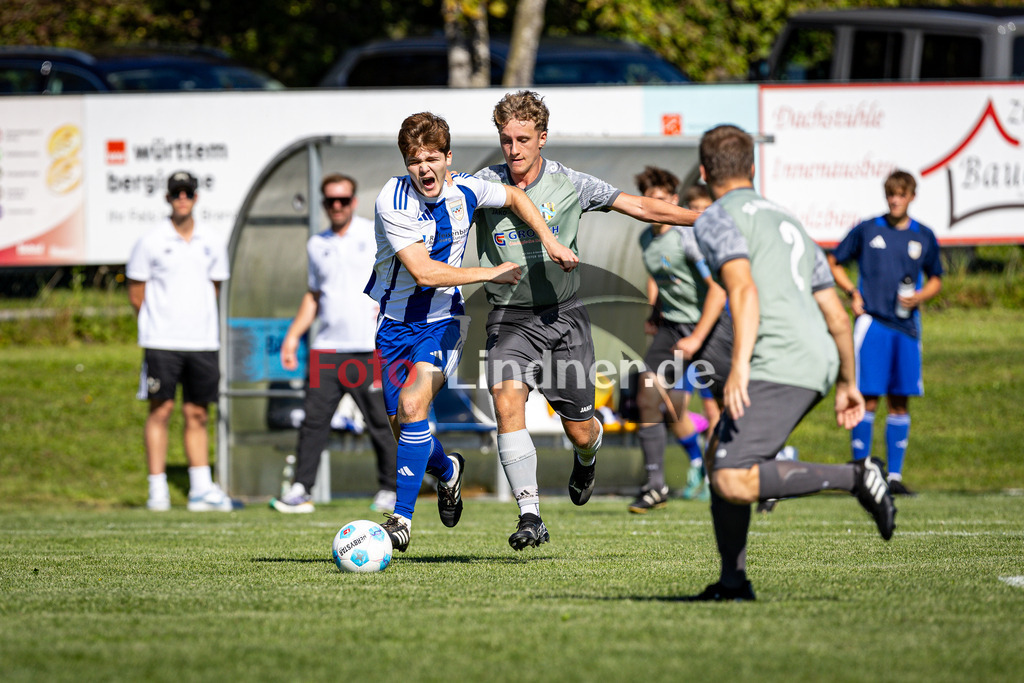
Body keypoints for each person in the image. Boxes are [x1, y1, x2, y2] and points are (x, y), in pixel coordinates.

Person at [472, 90, 707, 550]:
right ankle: (530, 514)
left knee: (580, 429)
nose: (514, 149)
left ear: (542, 138)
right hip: (508, 317)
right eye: (506, 140)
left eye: (523, 138)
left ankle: (587, 455)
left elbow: (641, 206)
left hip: (564, 319)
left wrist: (703, 219)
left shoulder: (570, 184)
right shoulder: (484, 183)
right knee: (505, 395)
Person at [687, 125, 895, 601]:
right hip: (816, 355)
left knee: (730, 476)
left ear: (703, 171)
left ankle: (858, 476)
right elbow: (836, 314)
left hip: (778, 360)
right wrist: (847, 379)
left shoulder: (716, 218)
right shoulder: (788, 219)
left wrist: (738, 367)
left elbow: (741, 288)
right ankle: (733, 582)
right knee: (723, 451)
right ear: (752, 169)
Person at [365, 111, 578, 553]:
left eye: (430, 158)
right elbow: (423, 273)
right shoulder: (392, 199)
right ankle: (449, 472)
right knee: (404, 428)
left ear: (448, 158)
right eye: (412, 160)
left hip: (443, 323)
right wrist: (489, 273)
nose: (422, 168)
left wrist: (551, 241)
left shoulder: (466, 189)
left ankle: (401, 522)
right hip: (393, 327)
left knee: (411, 403)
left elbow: (517, 199)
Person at [271, 173, 399, 514]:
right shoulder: (317, 244)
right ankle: (300, 489)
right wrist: (293, 337)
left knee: (380, 422)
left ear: (354, 201)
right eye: (331, 201)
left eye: (343, 200)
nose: (337, 206)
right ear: (325, 204)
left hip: (368, 347)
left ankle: (390, 489)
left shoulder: (374, 233)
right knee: (313, 422)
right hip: (326, 350)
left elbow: (398, 276)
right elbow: (314, 296)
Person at [127, 170, 238, 512]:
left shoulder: (211, 239)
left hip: (203, 342)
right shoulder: (150, 240)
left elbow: (215, 287)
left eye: (187, 192)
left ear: (195, 197)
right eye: (176, 192)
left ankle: (200, 490)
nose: (182, 198)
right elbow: (136, 293)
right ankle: (157, 490)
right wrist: (160, 323)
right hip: (162, 341)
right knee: (161, 410)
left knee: (197, 414)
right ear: (168, 197)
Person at [828, 171, 943, 496]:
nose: (895, 200)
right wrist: (853, 292)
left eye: (901, 194)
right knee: (866, 398)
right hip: (873, 324)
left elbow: (936, 277)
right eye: (890, 194)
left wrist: (921, 296)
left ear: (911, 197)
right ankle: (861, 476)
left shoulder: (924, 235)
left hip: (906, 328)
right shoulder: (868, 229)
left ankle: (893, 477)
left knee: (900, 400)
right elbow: (834, 261)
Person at [628, 167, 732, 514]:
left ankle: (757, 475)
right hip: (672, 328)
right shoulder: (646, 239)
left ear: (673, 201)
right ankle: (656, 485)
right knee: (647, 394)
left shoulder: (688, 237)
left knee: (729, 405)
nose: (653, 206)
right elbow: (664, 281)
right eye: (647, 200)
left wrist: (699, 336)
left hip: (710, 326)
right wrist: (656, 313)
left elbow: (718, 288)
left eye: (660, 199)